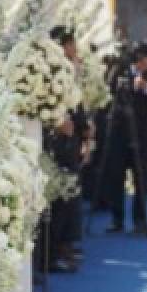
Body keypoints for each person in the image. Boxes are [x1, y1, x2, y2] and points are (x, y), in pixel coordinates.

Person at [104, 40, 147, 235]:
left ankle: (140, 219)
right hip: (120, 132)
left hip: (142, 134)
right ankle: (116, 218)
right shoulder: (121, 72)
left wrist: (146, 87)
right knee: (115, 176)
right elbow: (110, 87)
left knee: (141, 177)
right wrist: (124, 76)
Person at [46, 26, 89, 270]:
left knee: (70, 197)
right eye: (70, 44)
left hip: (71, 142)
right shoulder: (49, 71)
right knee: (59, 200)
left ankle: (65, 245)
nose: (74, 49)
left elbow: (76, 102)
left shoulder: (72, 69)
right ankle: (53, 254)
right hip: (57, 144)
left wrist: (84, 128)